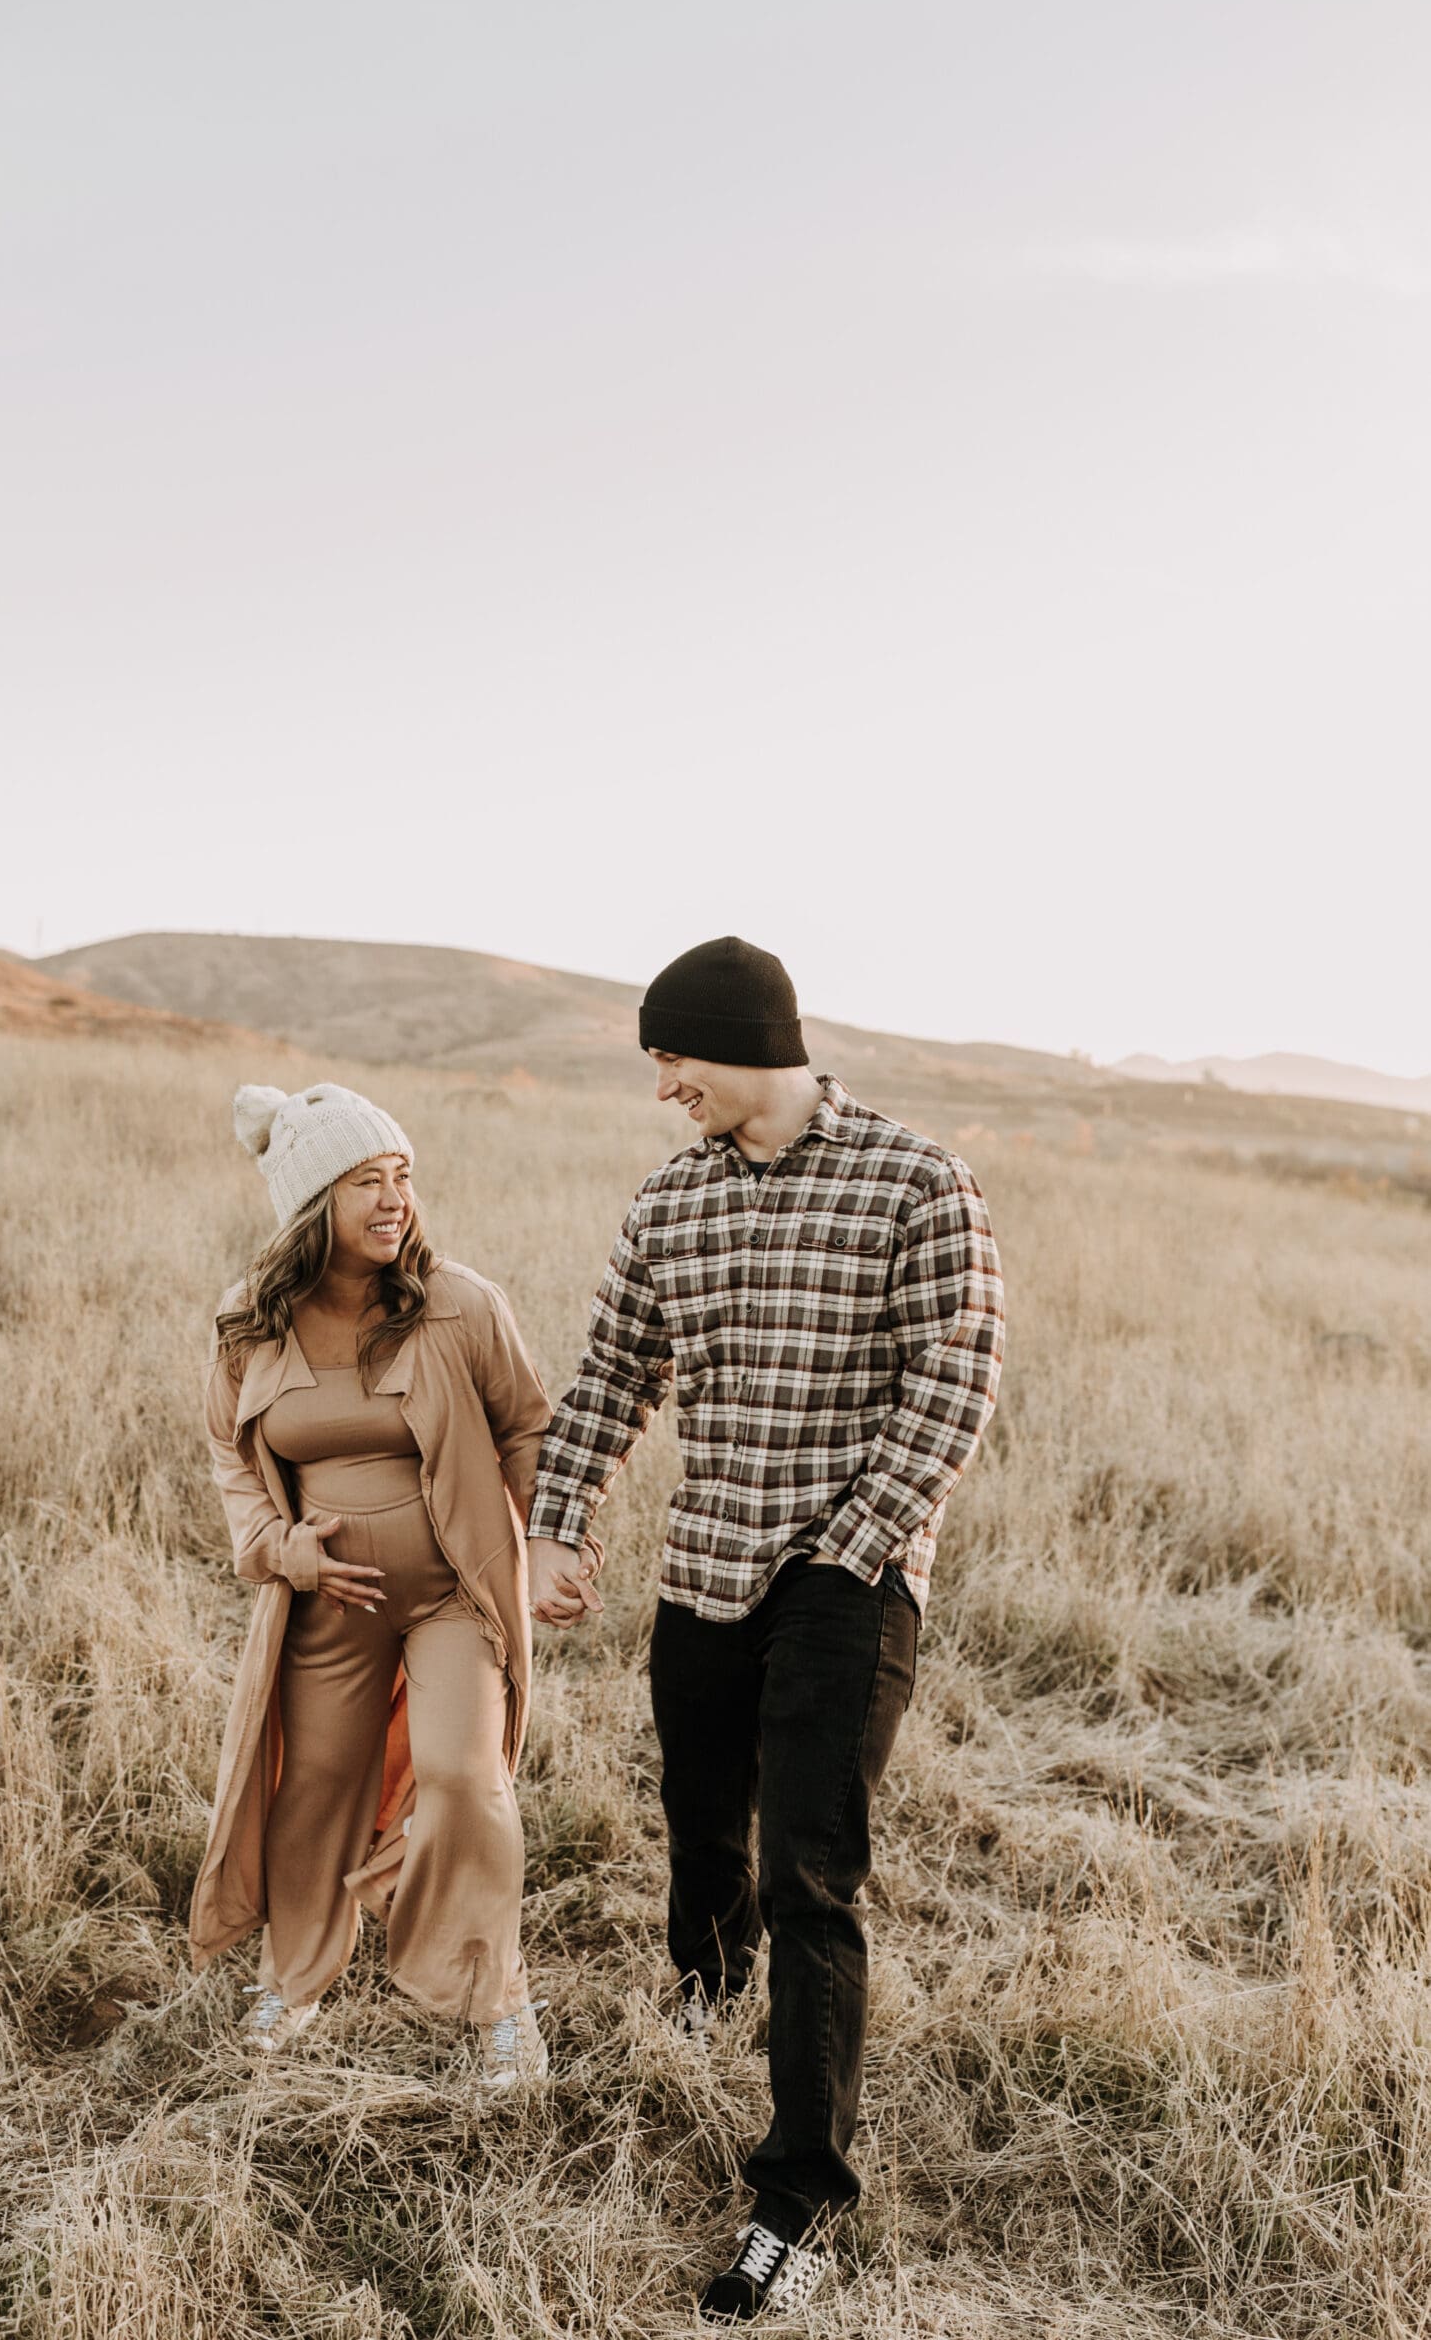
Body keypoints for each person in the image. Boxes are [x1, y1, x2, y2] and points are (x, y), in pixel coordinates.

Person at [525, 938, 1005, 2321]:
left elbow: (950, 1387)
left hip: (843, 1577)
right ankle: (704, 1990)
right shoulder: (667, 1202)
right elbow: (614, 1367)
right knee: (695, 1823)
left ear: (738, 1043)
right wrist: (560, 1521)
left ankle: (793, 2197)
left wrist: (849, 1562)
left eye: (670, 1059)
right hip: (704, 1568)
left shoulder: (915, 1179)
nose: (661, 1087)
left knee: (811, 1877)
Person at [188, 1078, 559, 2088]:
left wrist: (543, 1543)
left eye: (402, 1176)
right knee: (313, 1792)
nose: (395, 1197)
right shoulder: (249, 1324)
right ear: (314, 1206)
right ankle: (295, 1976)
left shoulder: (461, 1304)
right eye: (366, 1181)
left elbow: (526, 1422)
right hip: (327, 1604)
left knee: (463, 1777)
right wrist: (279, 1545)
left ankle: (499, 2003)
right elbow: (230, 1454)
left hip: (454, 1593)